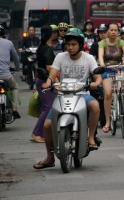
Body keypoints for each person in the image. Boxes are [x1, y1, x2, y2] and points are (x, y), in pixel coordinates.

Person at [33, 28, 102, 169]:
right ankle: (50, 157)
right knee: (47, 125)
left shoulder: (88, 58)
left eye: (73, 44)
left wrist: (96, 83)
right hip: (63, 94)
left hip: (82, 93)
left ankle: (90, 137)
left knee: (95, 106)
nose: (70, 47)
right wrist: (48, 82)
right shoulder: (60, 57)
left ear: (80, 45)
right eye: (68, 44)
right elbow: (52, 74)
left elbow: (97, 75)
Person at [98, 22, 124, 133]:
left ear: (118, 31)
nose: (114, 32)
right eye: (111, 30)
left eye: (115, 30)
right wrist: (102, 64)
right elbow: (100, 56)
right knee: (108, 94)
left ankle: (123, 97)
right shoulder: (102, 43)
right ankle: (107, 122)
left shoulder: (121, 42)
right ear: (108, 31)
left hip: (119, 68)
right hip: (107, 70)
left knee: (122, 80)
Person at [30, 25, 56, 143]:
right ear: (51, 35)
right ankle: (36, 133)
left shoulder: (42, 46)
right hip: (45, 81)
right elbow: (49, 67)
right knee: (48, 107)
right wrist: (56, 81)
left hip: (41, 80)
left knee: (47, 107)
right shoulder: (46, 48)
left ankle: (44, 133)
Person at [0, 22, 21, 118]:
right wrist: (18, 68)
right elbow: (16, 58)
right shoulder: (9, 43)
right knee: (14, 87)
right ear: (3, 33)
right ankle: (15, 108)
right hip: (6, 76)